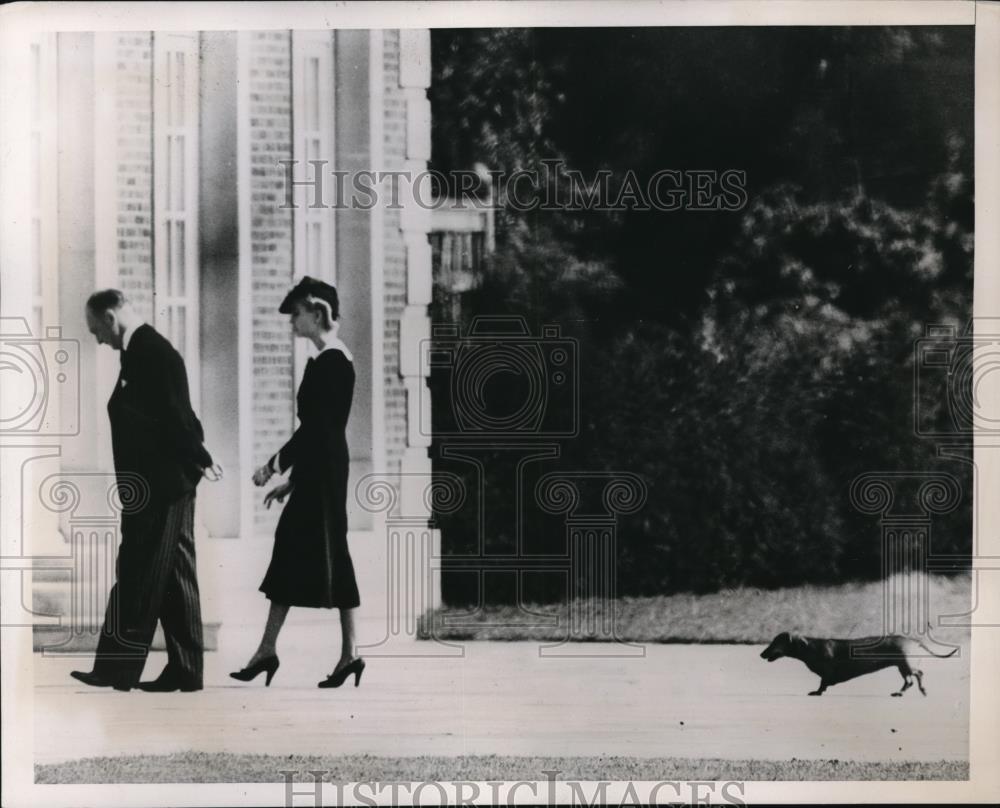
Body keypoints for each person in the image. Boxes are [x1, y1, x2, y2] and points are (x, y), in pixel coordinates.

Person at [72, 290, 221, 692]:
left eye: (95, 330)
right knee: (176, 572)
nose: (97, 340)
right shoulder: (139, 352)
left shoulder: (153, 352)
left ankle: (115, 669)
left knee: (137, 571)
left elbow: (178, 417)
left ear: (109, 316)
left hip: (160, 486)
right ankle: (186, 670)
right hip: (163, 484)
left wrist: (202, 458)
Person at [230, 277, 364, 689]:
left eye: (297, 313)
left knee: (321, 551)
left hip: (323, 471)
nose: (292, 321)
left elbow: (315, 430)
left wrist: (274, 467)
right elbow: (319, 432)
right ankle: (285, 650)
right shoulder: (327, 360)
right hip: (321, 470)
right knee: (306, 550)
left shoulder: (333, 362)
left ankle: (339, 653)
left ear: (317, 314)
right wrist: (294, 482)